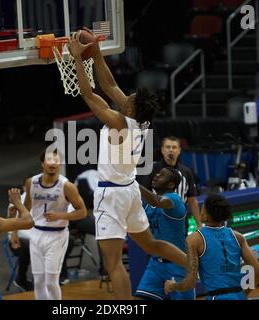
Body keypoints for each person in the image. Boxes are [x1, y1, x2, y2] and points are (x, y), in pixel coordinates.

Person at [67, 30, 186, 300]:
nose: (127, 95)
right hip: (130, 190)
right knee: (151, 244)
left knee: (113, 264)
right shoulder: (141, 121)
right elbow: (109, 86)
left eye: (129, 97)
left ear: (130, 109)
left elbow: (88, 93)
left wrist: (77, 59)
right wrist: (95, 51)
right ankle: (193, 264)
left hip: (112, 195)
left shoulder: (120, 122)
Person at [164, 194, 259, 300]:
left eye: (202, 208)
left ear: (206, 216)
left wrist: (172, 286)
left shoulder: (194, 239)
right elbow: (257, 269)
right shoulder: (238, 236)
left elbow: (190, 282)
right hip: (239, 295)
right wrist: (245, 292)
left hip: (216, 296)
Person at [23, 149, 87, 300]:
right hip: (36, 233)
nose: (52, 164)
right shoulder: (31, 182)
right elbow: (26, 209)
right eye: (49, 160)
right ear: (42, 163)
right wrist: (14, 230)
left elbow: (83, 212)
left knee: (51, 282)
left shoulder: (67, 186)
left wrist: (61, 215)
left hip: (57, 235)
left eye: (56, 160)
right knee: (38, 281)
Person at [135, 167, 195, 300]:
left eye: (162, 175)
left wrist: (133, 183)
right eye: (157, 173)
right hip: (155, 264)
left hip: (178, 264)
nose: (156, 176)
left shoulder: (175, 199)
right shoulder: (149, 205)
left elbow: (157, 201)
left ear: (171, 184)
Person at [148, 136, 202, 229]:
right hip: (157, 221)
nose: (171, 150)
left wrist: (199, 224)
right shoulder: (152, 170)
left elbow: (192, 200)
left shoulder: (187, 171)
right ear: (162, 150)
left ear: (179, 150)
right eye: (168, 147)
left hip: (180, 222)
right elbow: (144, 196)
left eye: (174, 147)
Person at [7, 178, 33, 291]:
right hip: (19, 239)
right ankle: (21, 279)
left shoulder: (43, 199)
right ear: (24, 187)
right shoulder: (17, 201)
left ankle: (61, 276)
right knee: (27, 246)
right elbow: (11, 223)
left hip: (39, 238)